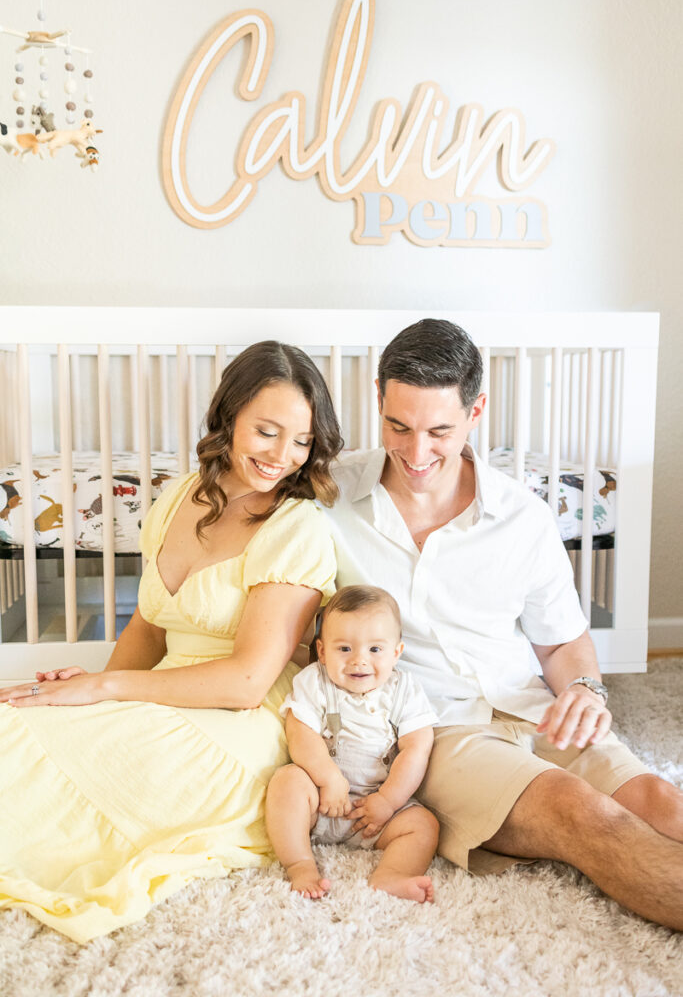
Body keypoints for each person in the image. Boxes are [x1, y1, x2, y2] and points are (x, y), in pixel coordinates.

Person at [323, 318, 683, 931]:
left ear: (476, 410)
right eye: (398, 427)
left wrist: (585, 689)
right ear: (378, 397)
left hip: (528, 704)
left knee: (659, 802)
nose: (416, 454)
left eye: (439, 430)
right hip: (433, 732)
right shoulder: (327, 496)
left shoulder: (522, 515)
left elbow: (563, 640)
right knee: (581, 813)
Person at [0, 340, 342, 943]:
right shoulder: (177, 497)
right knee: (22, 721)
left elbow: (246, 682)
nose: (282, 455)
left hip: (241, 722)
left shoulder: (297, 526)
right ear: (230, 414)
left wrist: (108, 687)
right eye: (266, 431)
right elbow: (149, 627)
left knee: (63, 762)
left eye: (301, 441)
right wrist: (93, 696)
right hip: (165, 691)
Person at [266, 584, 439, 903]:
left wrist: (388, 801)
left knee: (423, 824)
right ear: (321, 651)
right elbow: (299, 732)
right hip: (320, 802)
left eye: (375, 650)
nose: (359, 660)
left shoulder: (405, 689)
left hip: (375, 813)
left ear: (396, 653)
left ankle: (391, 874)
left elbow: (417, 747)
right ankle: (300, 864)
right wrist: (329, 779)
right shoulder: (314, 681)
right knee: (286, 782)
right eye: (344, 649)